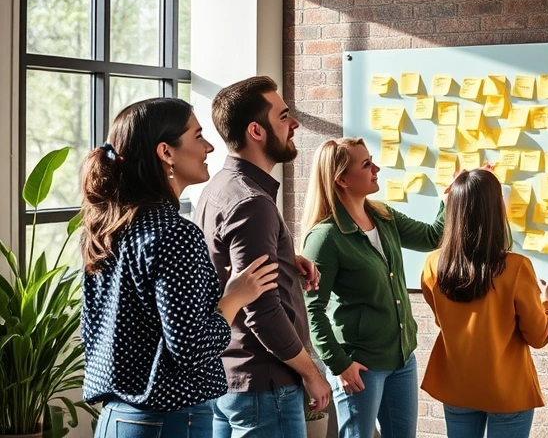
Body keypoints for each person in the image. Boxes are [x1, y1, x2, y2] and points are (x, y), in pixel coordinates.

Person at [81, 98, 279, 438]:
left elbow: (97, 333)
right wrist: (233, 298)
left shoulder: (107, 229)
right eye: (198, 136)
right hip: (168, 421)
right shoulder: (175, 233)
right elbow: (191, 348)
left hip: (116, 419)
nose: (209, 146)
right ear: (166, 152)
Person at [195, 76, 332, 438]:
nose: (295, 125)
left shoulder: (219, 188)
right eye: (284, 116)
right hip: (264, 383)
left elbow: (231, 272)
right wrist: (311, 373)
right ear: (256, 131)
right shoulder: (252, 202)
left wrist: (286, 258)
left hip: (230, 377)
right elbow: (262, 310)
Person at [301, 137, 447, 438]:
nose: (376, 168)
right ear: (341, 179)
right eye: (366, 164)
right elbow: (312, 309)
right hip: (360, 366)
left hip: (401, 359)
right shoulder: (325, 238)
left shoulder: (384, 217)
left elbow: (434, 236)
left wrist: (451, 197)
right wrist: (340, 365)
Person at [420, 168, 548, 438]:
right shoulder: (516, 267)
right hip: (507, 391)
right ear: (495, 210)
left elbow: (442, 319)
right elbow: (539, 336)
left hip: (457, 385)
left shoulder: (432, 264)